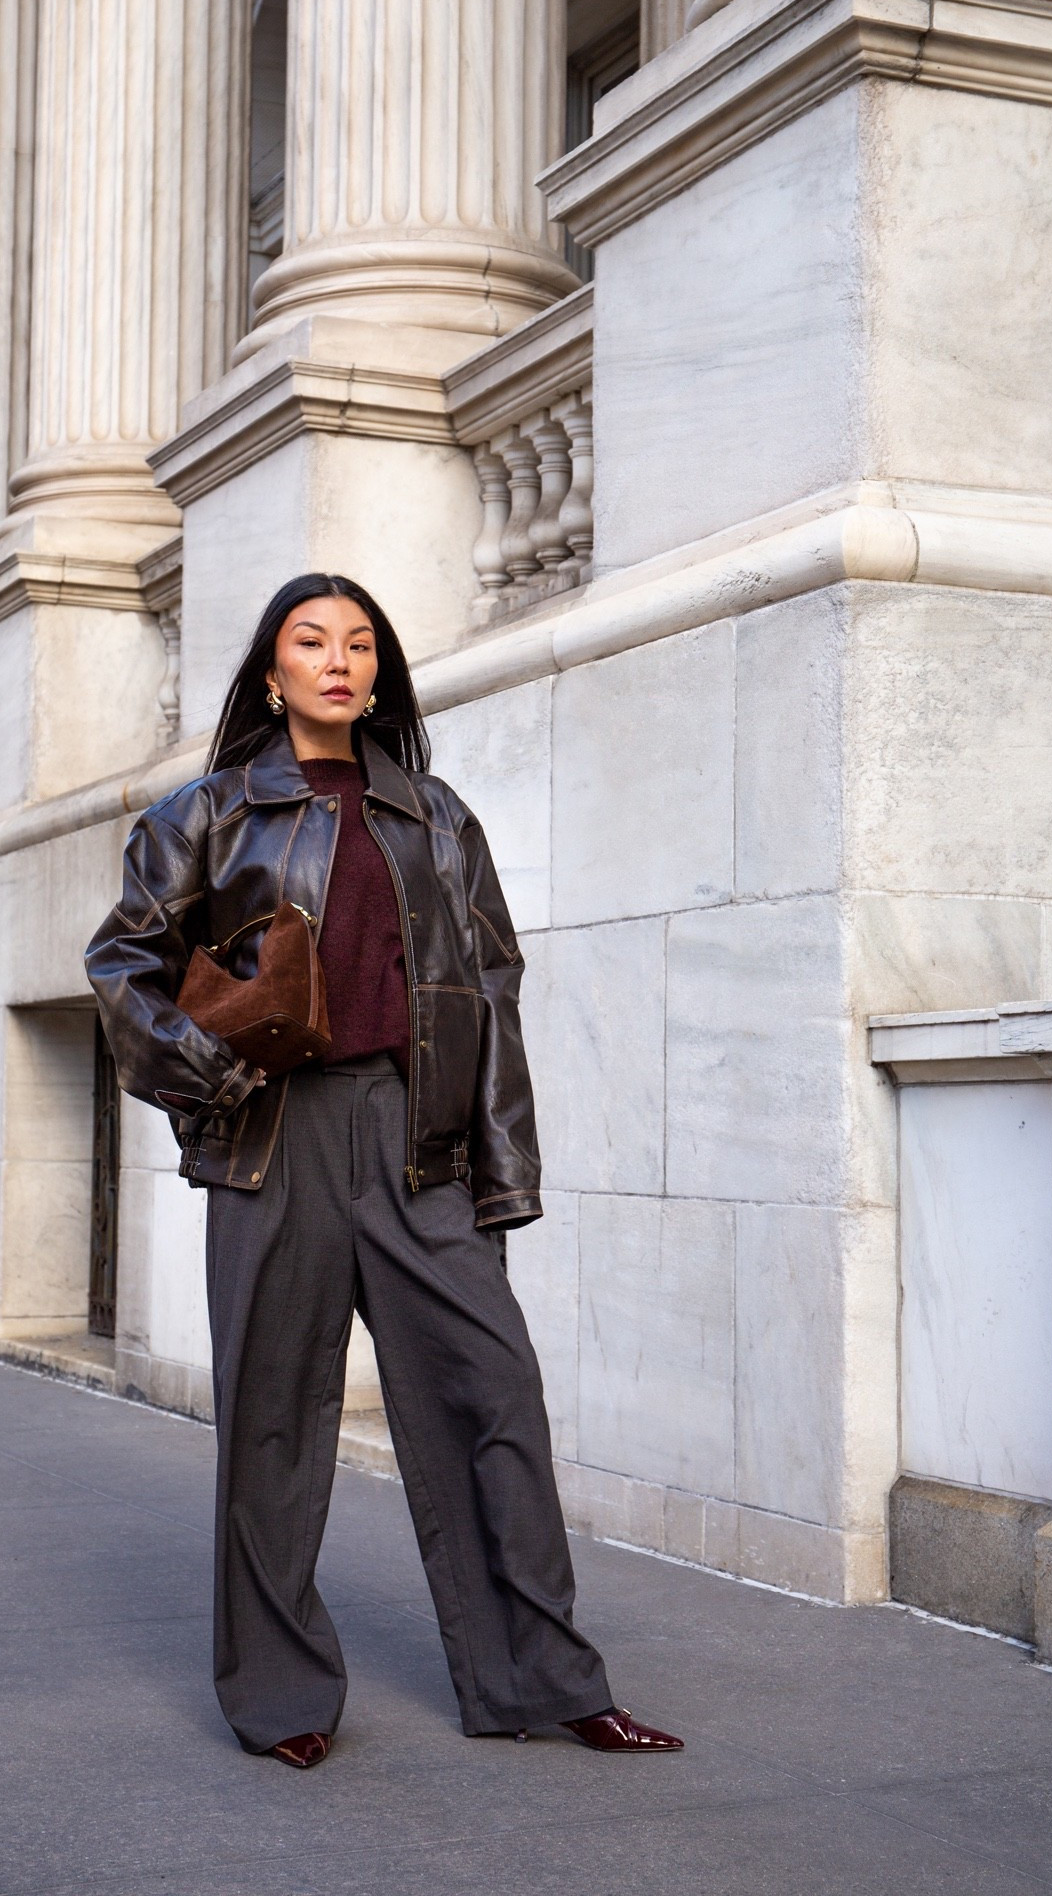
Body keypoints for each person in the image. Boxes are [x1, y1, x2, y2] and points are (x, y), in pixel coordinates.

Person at [85, 574, 684, 1770]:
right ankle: (281, 1696)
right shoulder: (205, 815)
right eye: (312, 641)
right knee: (273, 1422)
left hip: (421, 1145)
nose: (339, 659)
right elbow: (122, 966)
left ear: (381, 671)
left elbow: (494, 997)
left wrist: (501, 1172)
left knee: (495, 1396)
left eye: (360, 642)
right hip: (277, 1139)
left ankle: (543, 1675)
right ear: (272, 673)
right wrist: (213, 1070)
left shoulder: (439, 818)